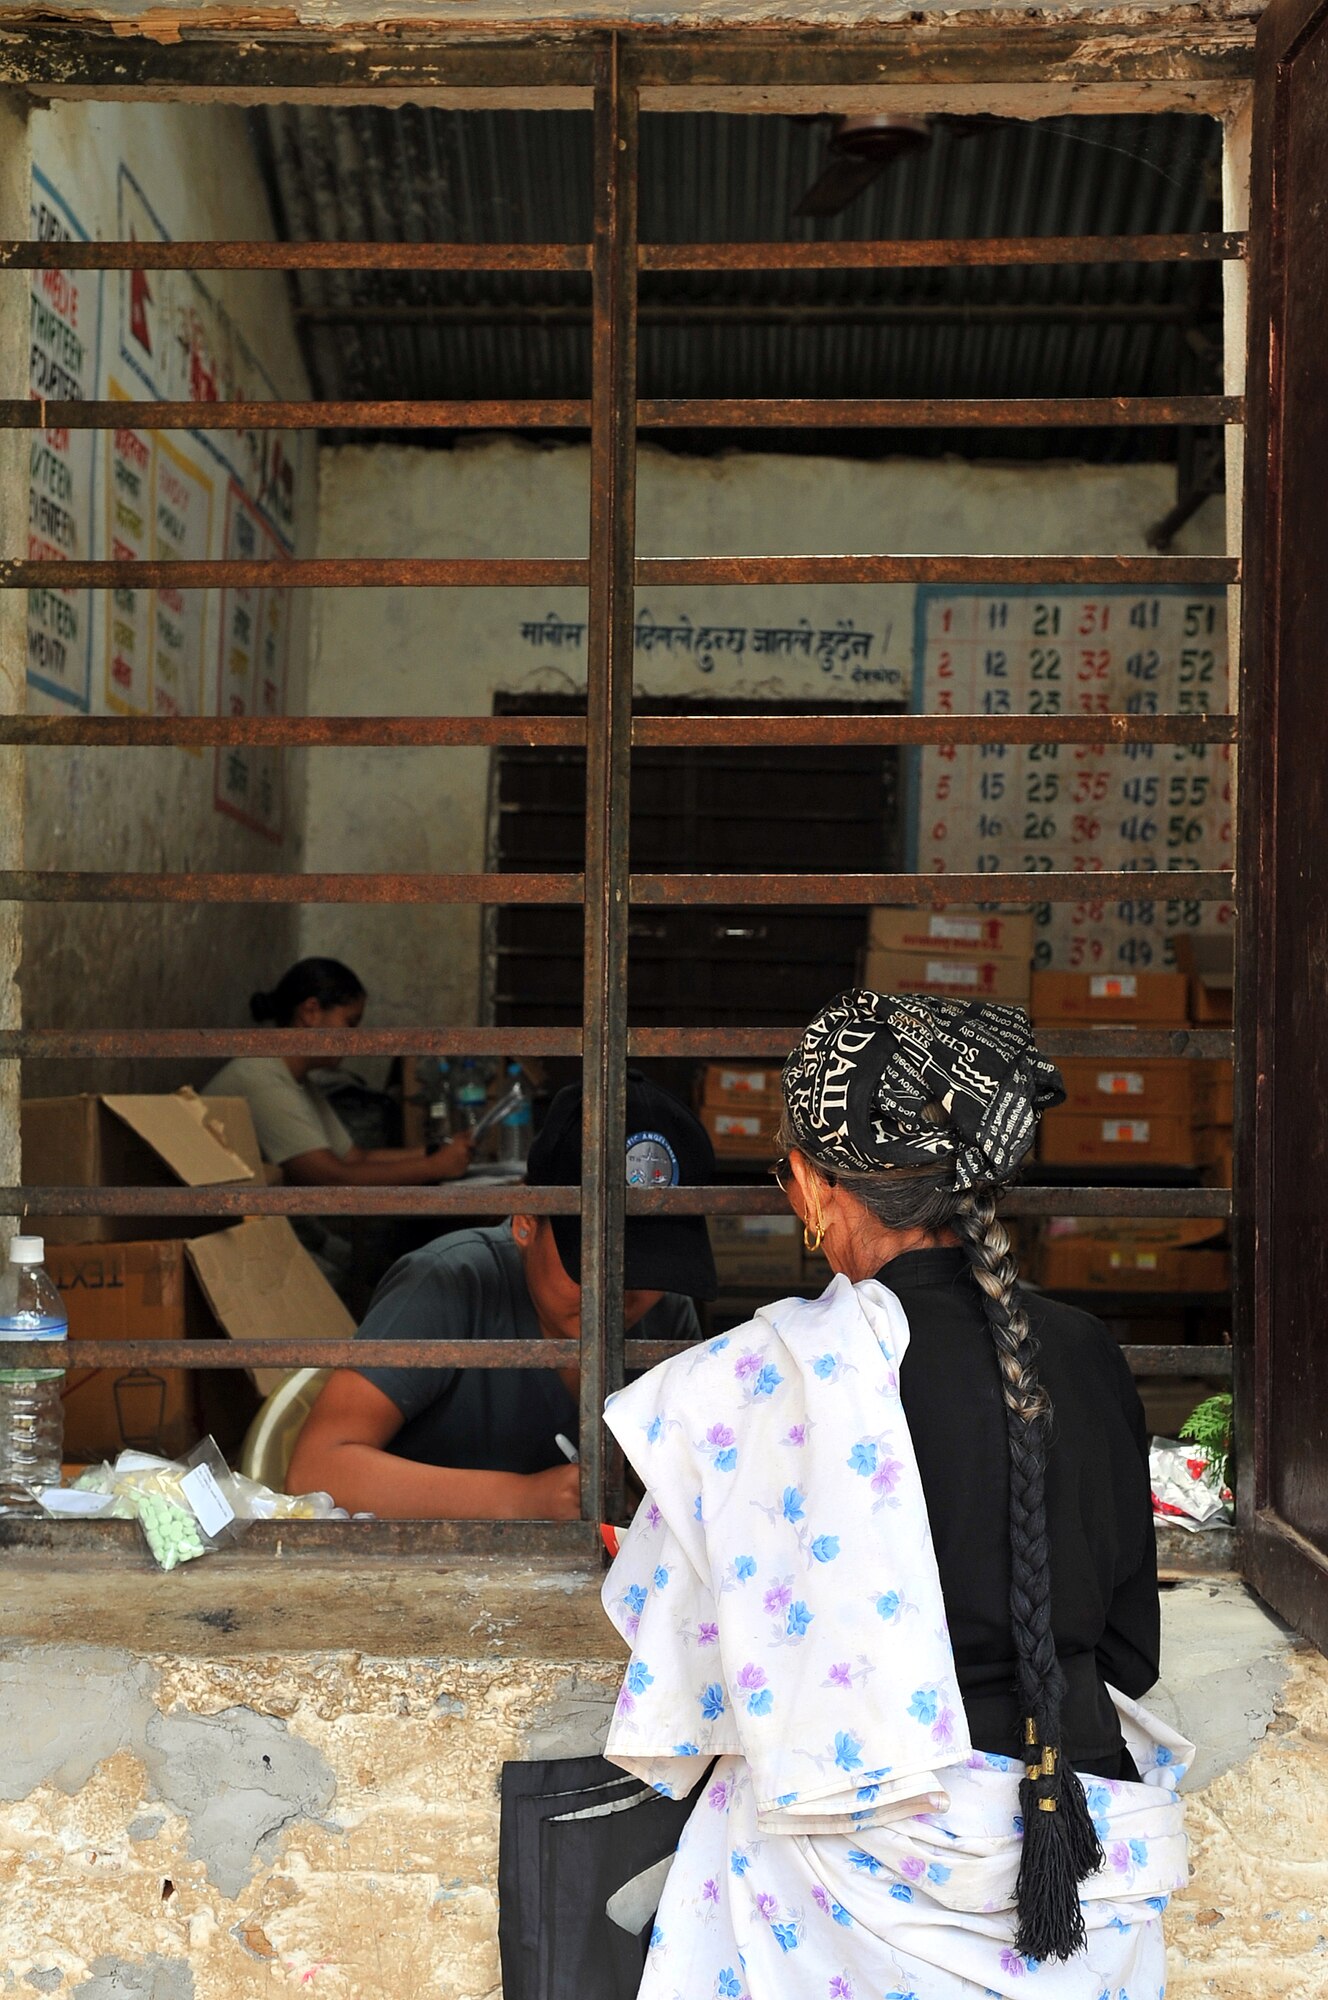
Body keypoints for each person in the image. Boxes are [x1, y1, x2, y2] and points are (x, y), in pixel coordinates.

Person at [600, 991, 1190, 2000]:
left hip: (851, 1862)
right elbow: (1127, 1649)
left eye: (789, 1174)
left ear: (816, 1185)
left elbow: (696, 1664)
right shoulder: (1088, 1352)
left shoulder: (756, 1378)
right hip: (1088, 1822)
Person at [287, 1078, 718, 1522]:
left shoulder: (666, 1315)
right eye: (594, 1264)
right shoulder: (450, 1285)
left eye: (653, 1268)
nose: (622, 1294)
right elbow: (314, 1471)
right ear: (526, 1220)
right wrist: (525, 1500)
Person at [205, 958, 473, 1186]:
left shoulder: (295, 1080)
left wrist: (437, 1152)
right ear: (311, 1012)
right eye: (350, 1022)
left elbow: (355, 1158)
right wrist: (435, 1167)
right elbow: (332, 1176)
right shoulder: (259, 1077)